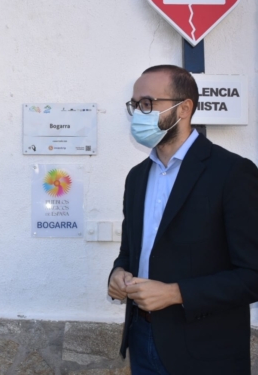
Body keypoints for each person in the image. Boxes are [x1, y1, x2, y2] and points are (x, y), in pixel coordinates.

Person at [108, 65, 258, 374]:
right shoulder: (137, 177)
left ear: (184, 108)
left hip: (205, 351)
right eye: (135, 105)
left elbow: (253, 275)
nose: (139, 112)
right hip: (141, 338)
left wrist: (175, 293)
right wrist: (118, 272)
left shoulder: (232, 172)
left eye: (148, 103)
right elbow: (130, 251)